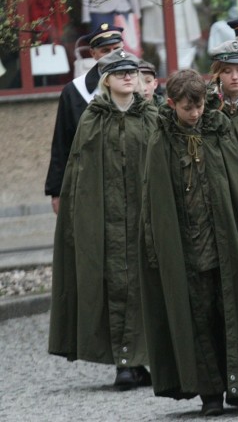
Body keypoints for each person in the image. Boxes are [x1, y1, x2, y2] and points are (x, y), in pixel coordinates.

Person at [139, 69, 238, 416]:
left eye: (199, 106)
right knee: (198, 317)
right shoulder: (162, 140)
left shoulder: (219, 130)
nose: (195, 113)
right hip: (187, 246)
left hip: (225, 240)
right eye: (188, 108)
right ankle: (210, 391)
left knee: (234, 310)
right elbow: (154, 198)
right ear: (172, 105)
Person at [49, 49, 157, 390]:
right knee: (114, 285)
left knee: (145, 284)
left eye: (132, 72)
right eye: (119, 72)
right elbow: (79, 173)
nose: (128, 76)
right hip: (107, 219)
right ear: (106, 80)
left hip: (144, 216)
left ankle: (141, 358)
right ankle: (124, 362)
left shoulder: (152, 116)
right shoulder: (92, 119)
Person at [45, 23, 124, 214]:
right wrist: (56, 191)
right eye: (105, 50)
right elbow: (62, 143)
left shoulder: (140, 84)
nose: (112, 54)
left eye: (116, 49)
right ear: (93, 53)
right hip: (90, 182)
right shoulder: (74, 91)